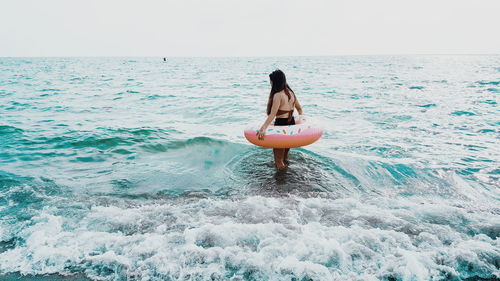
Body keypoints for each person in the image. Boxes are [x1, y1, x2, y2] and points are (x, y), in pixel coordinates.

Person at [256, 70, 303, 170]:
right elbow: (299, 109)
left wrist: (263, 128)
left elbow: (273, 114)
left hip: (281, 125)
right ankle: (287, 174)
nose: (270, 83)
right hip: (291, 124)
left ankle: (282, 181)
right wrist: (301, 122)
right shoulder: (291, 93)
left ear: (275, 81)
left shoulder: (278, 95)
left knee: (278, 160)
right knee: (285, 156)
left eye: (271, 81)